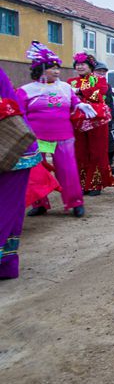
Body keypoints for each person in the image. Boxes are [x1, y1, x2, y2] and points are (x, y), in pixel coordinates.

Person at [17, 43, 93, 217]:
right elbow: (20, 113)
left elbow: (74, 102)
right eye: (52, 68)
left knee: (68, 170)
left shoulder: (65, 88)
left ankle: (75, 202)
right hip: (37, 138)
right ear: (40, 69)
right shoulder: (26, 90)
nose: (57, 71)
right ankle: (40, 203)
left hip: (64, 136)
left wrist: (81, 105)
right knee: (37, 171)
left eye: (57, 68)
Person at [0, 67, 40, 278]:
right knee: (9, 209)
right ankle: (5, 265)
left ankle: (5, 263)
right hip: (14, 146)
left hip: (11, 148)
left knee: (5, 209)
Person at [67, 53, 114, 195]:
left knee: (97, 151)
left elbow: (100, 93)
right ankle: (82, 184)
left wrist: (80, 91)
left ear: (90, 67)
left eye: (83, 64)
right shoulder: (70, 81)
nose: (80, 66)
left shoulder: (99, 80)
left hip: (97, 120)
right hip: (76, 120)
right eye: (77, 64)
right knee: (80, 151)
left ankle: (95, 184)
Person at [94, 61, 114, 176]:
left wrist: (113, 117)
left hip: (109, 118)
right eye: (98, 71)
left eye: (103, 71)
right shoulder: (90, 85)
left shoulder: (107, 86)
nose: (101, 73)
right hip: (96, 118)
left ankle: (110, 165)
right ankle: (102, 168)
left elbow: (110, 103)